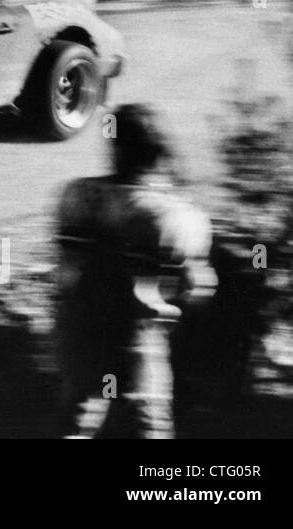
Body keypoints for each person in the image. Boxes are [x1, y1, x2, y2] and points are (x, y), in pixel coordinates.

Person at [53, 104, 215, 438]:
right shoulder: (178, 215)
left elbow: (67, 268)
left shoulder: (77, 195)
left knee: (79, 420)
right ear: (158, 151)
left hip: (80, 333)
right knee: (149, 426)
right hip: (139, 337)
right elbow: (198, 287)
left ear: (115, 148)